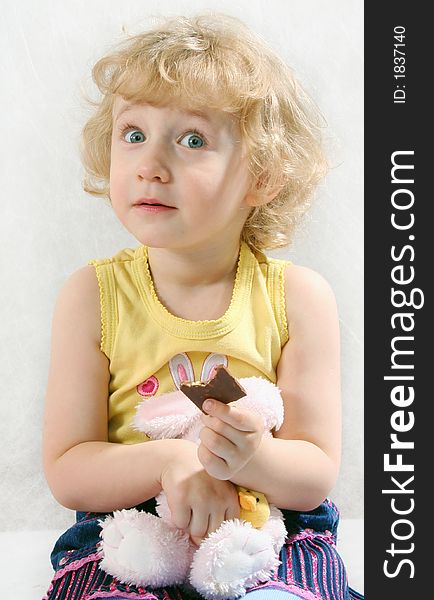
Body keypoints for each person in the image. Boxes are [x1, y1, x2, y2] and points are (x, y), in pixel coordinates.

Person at [42, 13, 363, 600]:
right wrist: (172, 462)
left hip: (267, 523)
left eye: (192, 140)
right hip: (126, 522)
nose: (150, 164)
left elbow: (314, 473)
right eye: (133, 133)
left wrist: (255, 456)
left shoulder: (298, 297)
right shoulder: (92, 296)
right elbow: (69, 469)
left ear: (262, 175)